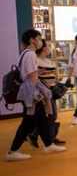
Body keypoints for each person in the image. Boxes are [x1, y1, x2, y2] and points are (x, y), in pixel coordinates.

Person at [6, 29, 66, 161]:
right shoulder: (31, 54)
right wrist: (40, 95)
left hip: (29, 92)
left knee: (41, 119)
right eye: (38, 38)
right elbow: (32, 78)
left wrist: (38, 73)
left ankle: (48, 144)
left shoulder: (25, 54)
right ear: (32, 40)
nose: (40, 42)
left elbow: (29, 74)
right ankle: (13, 151)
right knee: (28, 122)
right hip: (32, 94)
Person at [28, 39, 66, 148]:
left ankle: (39, 136)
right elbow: (34, 77)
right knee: (49, 115)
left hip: (51, 91)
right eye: (48, 46)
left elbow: (53, 74)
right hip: (42, 92)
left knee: (50, 115)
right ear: (44, 48)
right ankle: (47, 138)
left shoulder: (49, 61)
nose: (50, 48)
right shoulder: (36, 60)